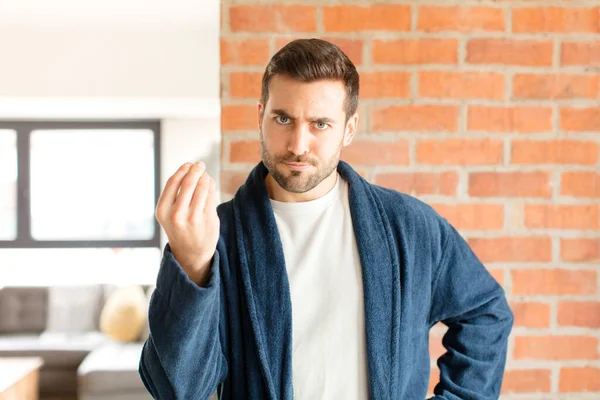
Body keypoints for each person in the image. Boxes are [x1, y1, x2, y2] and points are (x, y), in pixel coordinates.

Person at [139, 38, 514, 400]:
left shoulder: (410, 227)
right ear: (260, 116)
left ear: (349, 128)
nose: (298, 144)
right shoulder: (217, 235)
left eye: (320, 124)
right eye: (283, 118)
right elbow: (177, 389)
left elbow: (486, 313)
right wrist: (191, 264)